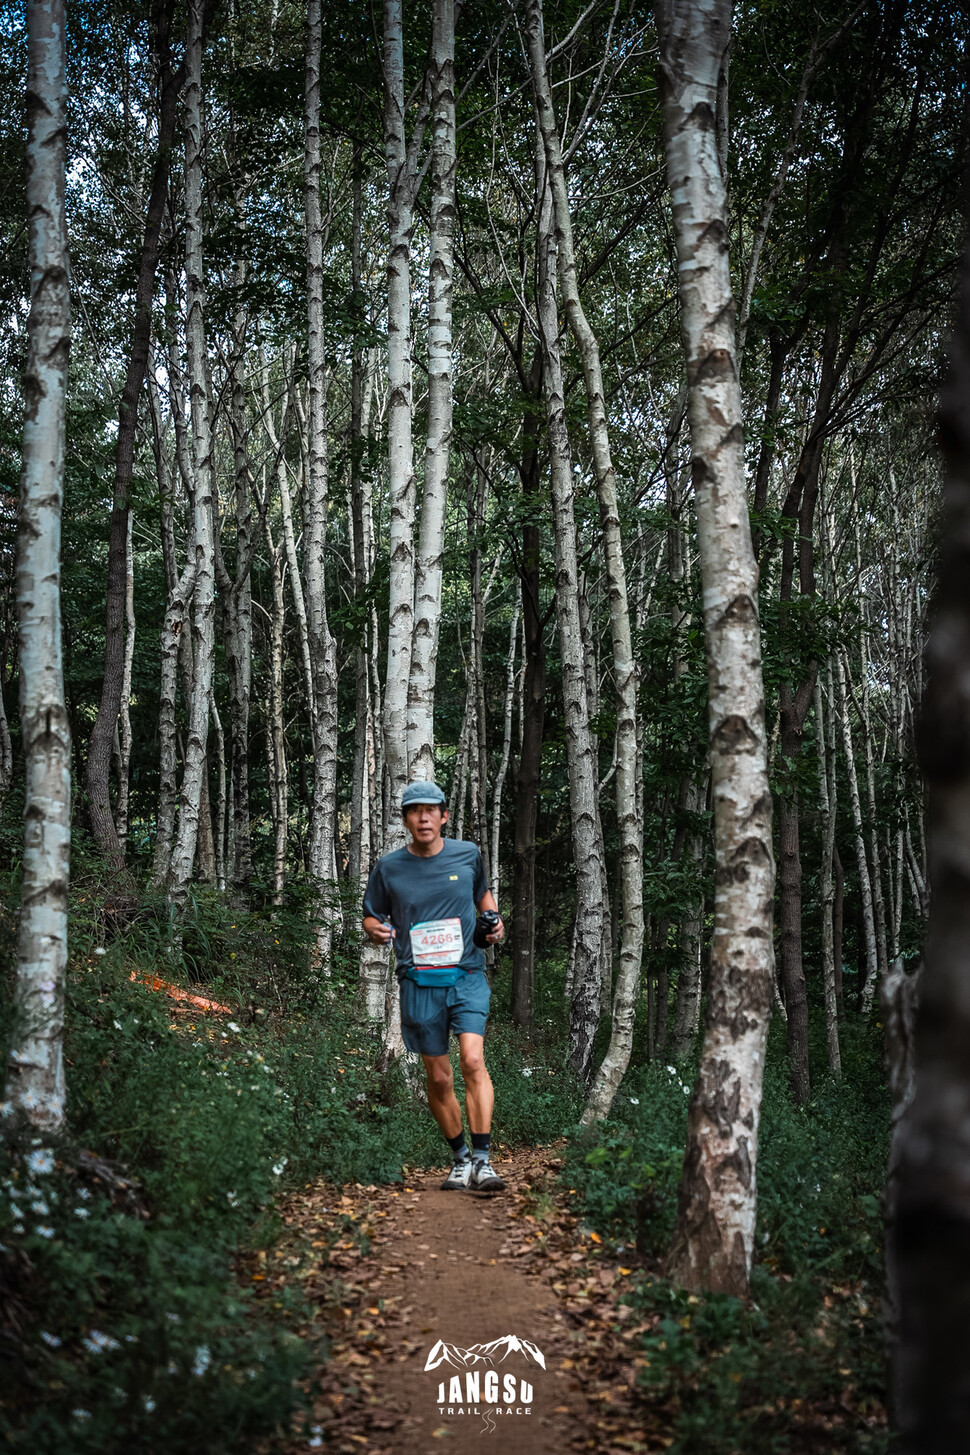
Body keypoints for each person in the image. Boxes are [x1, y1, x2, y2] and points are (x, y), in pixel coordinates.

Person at [362, 781, 507, 1193]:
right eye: (415, 811)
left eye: (431, 810)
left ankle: (483, 1160)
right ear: (406, 820)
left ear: (444, 815)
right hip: (419, 983)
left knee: (472, 1061)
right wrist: (377, 932)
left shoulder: (468, 855)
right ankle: (460, 1158)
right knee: (440, 1078)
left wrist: (495, 925)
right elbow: (370, 917)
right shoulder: (389, 867)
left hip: (466, 976)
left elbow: (486, 900)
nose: (423, 818)